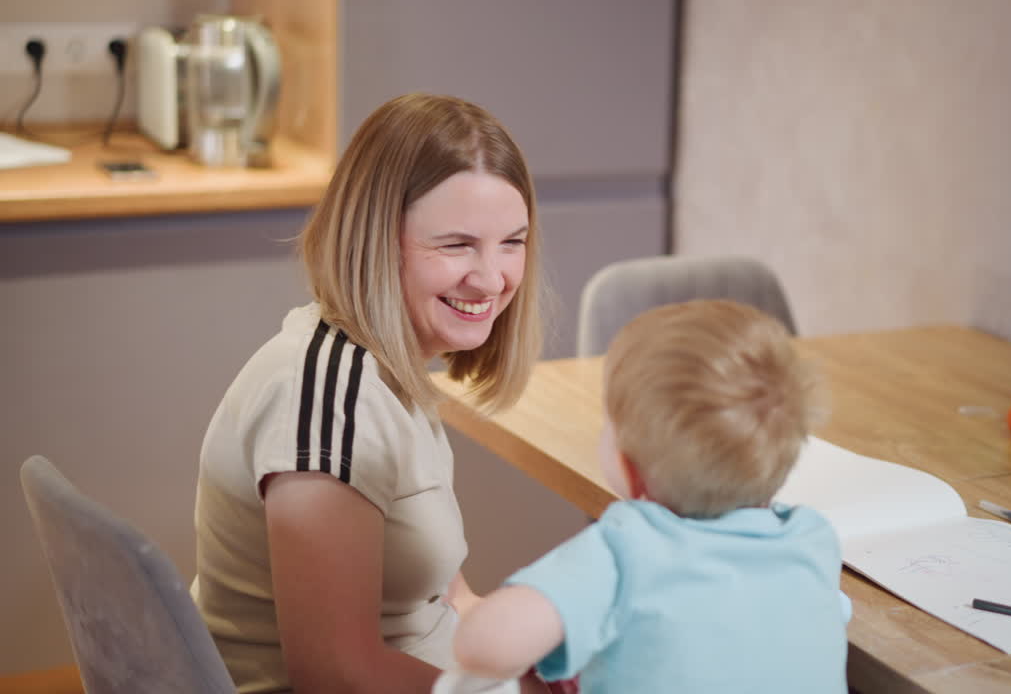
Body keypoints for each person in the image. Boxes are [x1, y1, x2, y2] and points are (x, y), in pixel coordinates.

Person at [191, 92, 551, 693]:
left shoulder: (388, 366)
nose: (492, 278)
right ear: (376, 240)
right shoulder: (328, 401)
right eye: (457, 244)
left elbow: (445, 593)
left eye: (512, 242)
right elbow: (336, 675)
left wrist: (530, 665)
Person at [449, 299, 851, 693]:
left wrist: (464, 602)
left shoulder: (625, 549)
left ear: (629, 468)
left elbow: (484, 646)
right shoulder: (813, 541)